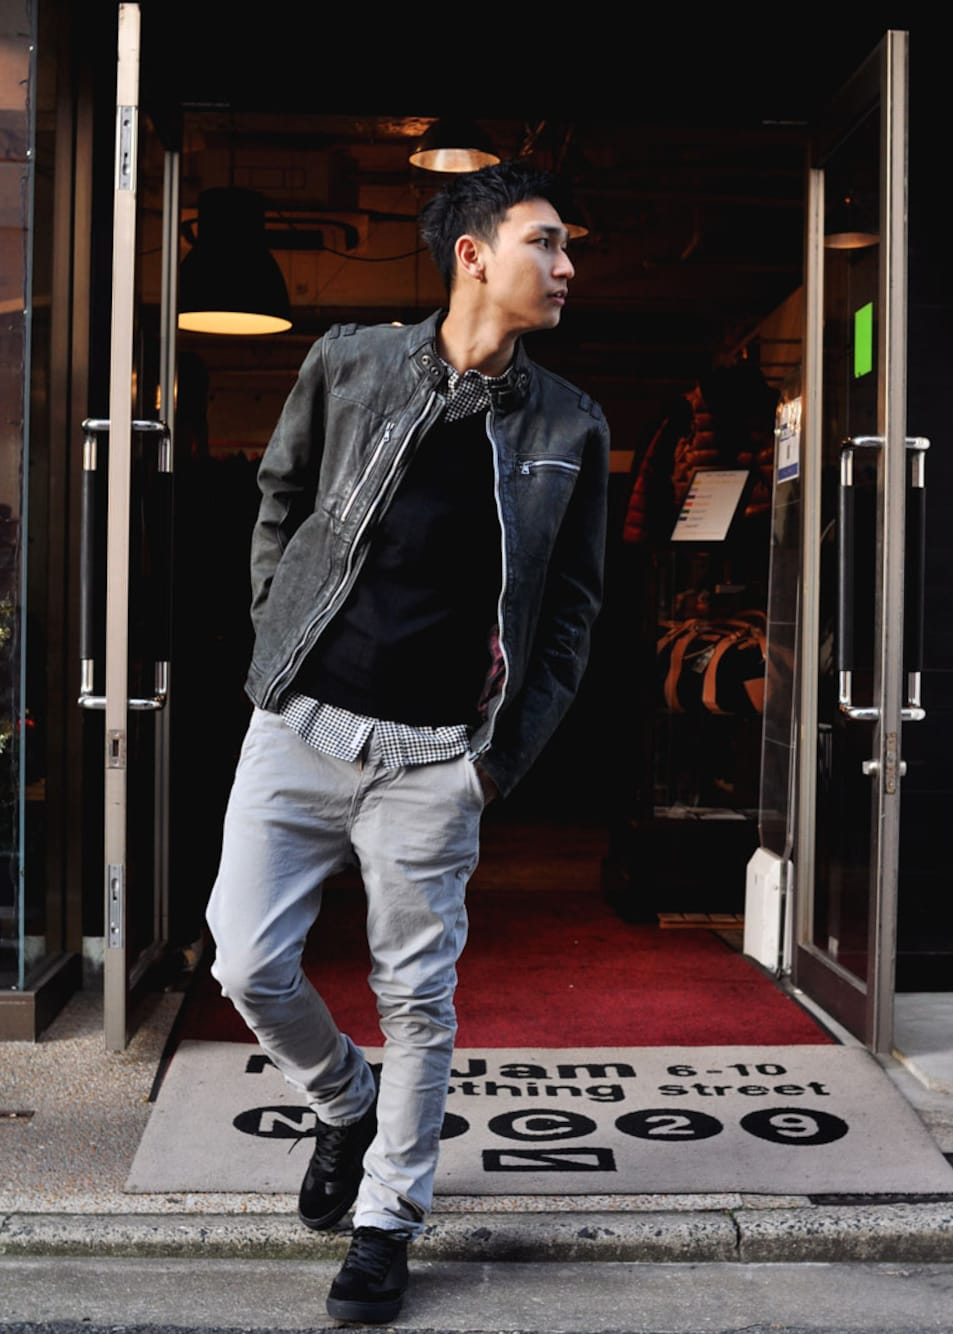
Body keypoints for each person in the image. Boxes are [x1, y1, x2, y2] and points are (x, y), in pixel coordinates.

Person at [205, 157, 610, 1325]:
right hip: (301, 727)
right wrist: (278, 642)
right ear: (473, 254)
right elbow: (281, 500)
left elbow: (572, 611)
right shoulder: (348, 364)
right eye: (546, 242)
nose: (566, 267)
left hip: (438, 759)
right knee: (245, 962)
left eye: (567, 247)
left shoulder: (570, 422)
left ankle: (386, 1222)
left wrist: (494, 763)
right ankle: (344, 1099)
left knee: (419, 999)